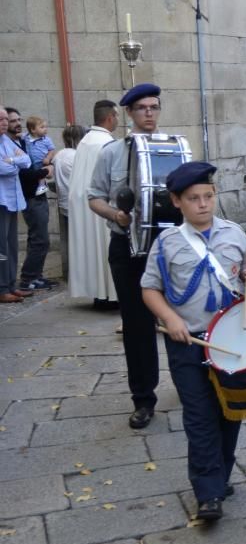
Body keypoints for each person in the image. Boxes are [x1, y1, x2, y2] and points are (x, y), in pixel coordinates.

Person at [141, 161, 246, 522]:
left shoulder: (234, 234)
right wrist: (170, 318)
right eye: (193, 198)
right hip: (188, 342)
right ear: (177, 201)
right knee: (199, 415)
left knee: (231, 412)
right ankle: (207, 492)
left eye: (208, 196)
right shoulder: (166, 244)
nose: (203, 204)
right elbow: (149, 289)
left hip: (232, 340)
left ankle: (220, 475)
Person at [88, 83, 165, 429]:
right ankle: (143, 399)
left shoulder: (172, 148)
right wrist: (116, 215)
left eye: (154, 107)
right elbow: (94, 197)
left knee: (190, 316)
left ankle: (199, 384)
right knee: (137, 325)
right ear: (129, 114)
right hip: (127, 247)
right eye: (143, 108)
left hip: (167, 247)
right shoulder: (111, 153)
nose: (150, 113)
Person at [70, 100, 119, 308]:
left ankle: (100, 295)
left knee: (92, 249)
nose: (117, 120)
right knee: (104, 247)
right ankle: (110, 295)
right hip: (100, 203)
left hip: (83, 203)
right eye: (116, 116)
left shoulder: (85, 140)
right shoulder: (106, 143)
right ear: (109, 118)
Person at [14, 113, 57, 292]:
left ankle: (35, 276)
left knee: (39, 239)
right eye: (12, 121)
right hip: (31, 196)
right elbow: (25, 173)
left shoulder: (23, 141)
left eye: (18, 120)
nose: (17, 124)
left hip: (37, 194)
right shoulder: (17, 144)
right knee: (40, 240)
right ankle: (29, 278)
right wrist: (45, 172)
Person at [0, 107, 31, 303]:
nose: (4, 122)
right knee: (1, 248)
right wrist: (14, 163)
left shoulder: (6, 141)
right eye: (1, 119)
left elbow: (26, 161)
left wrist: (12, 160)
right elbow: (3, 169)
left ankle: (11, 284)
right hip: (1, 201)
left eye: (5, 119)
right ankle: (2, 288)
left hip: (12, 200)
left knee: (11, 245)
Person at [53, 124, 86, 280]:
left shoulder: (59, 155)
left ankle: (71, 274)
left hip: (64, 203)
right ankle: (79, 275)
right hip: (77, 205)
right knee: (80, 243)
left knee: (70, 242)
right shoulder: (76, 155)